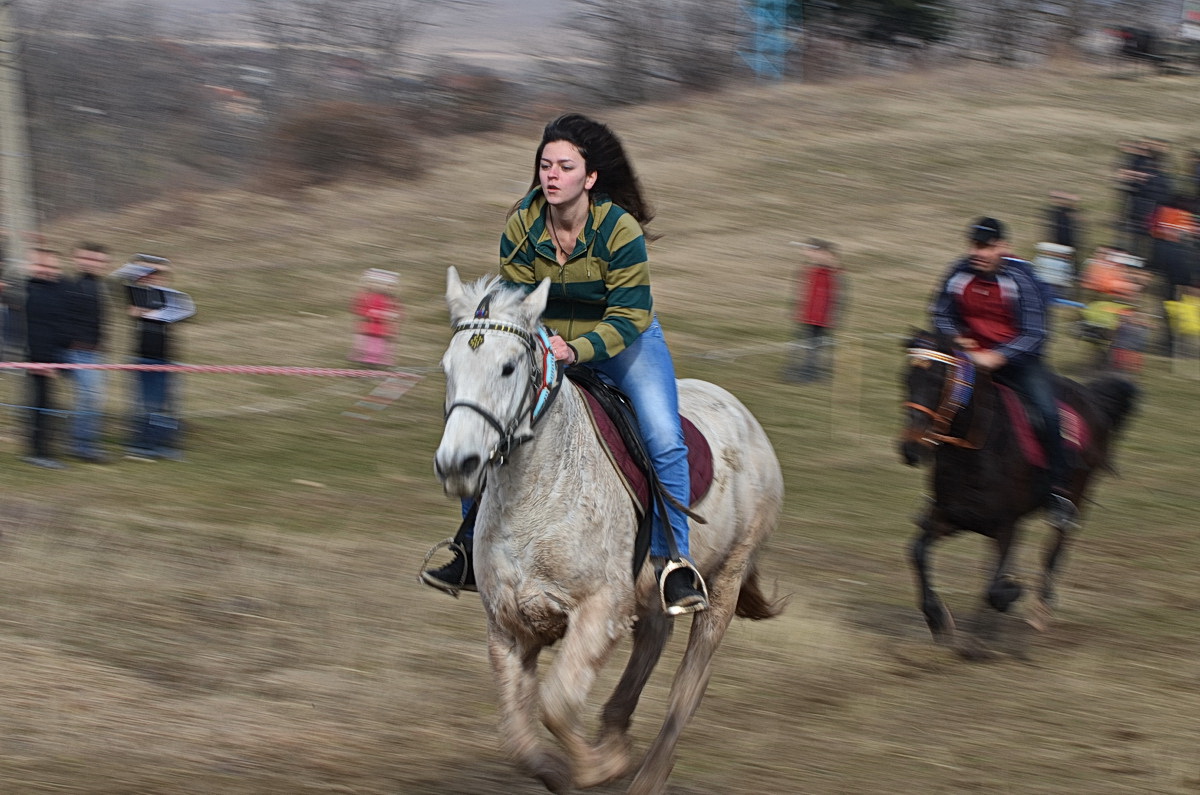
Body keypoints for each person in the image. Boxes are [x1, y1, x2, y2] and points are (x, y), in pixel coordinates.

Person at [422, 112, 708, 615]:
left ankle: (673, 563)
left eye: (565, 166)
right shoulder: (522, 225)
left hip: (625, 342)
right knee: (485, 417)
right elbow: (514, 305)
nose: (551, 175)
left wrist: (579, 350)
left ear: (590, 178)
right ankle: (468, 546)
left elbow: (630, 313)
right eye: (545, 164)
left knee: (664, 435)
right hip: (547, 340)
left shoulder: (619, 230)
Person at [930, 217, 1077, 530]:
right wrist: (956, 337)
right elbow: (939, 313)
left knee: (1047, 414)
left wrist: (998, 356)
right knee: (942, 410)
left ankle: (1058, 490)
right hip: (968, 361)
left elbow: (1036, 333)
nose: (978, 252)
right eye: (974, 245)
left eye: (986, 246)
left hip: (1019, 364)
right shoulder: (958, 273)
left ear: (1003, 247)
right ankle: (941, 494)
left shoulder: (1022, 280)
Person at [123, 256, 186, 461]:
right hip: (143, 358)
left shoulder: (169, 298)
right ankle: (143, 446)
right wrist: (147, 269)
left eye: (158, 275)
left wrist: (161, 271)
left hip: (167, 358)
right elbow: (133, 308)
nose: (154, 278)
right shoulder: (135, 294)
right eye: (149, 274)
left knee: (165, 404)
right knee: (146, 403)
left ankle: (163, 445)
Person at [62, 242, 111, 462]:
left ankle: (82, 442)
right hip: (78, 352)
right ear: (77, 259)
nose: (93, 263)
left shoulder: (99, 287)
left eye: (98, 260)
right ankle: (83, 446)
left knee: (92, 398)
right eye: (88, 259)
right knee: (90, 397)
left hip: (95, 353)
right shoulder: (72, 286)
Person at [21, 248, 70, 469]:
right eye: (41, 265)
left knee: (46, 404)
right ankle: (39, 452)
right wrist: (39, 361)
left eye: (51, 266)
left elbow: (60, 325)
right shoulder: (29, 289)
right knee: (40, 405)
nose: (46, 270)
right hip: (37, 358)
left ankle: (42, 450)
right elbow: (34, 329)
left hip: (54, 356)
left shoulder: (60, 288)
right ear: (32, 266)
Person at [781, 238, 845, 383]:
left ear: (826, 254)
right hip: (807, 315)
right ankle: (798, 369)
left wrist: (834, 316)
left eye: (813, 251)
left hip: (821, 317)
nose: (808, 254)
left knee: (815, 346)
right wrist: (795, 308)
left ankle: (810, 372)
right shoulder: (811, 270)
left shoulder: (832, 273)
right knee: (801, 343)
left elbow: (838, 296)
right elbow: (802, 291)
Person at [350, 268, 402, 367]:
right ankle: (366, 358)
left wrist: (394, 315)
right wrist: (374, 314)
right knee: (367, 343)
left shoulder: (390, 299)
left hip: (382, 328)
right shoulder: (366, 296)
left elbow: (397, 311)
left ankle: (376, 360)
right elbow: (359, 309)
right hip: (369, 326)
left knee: (379, 344)